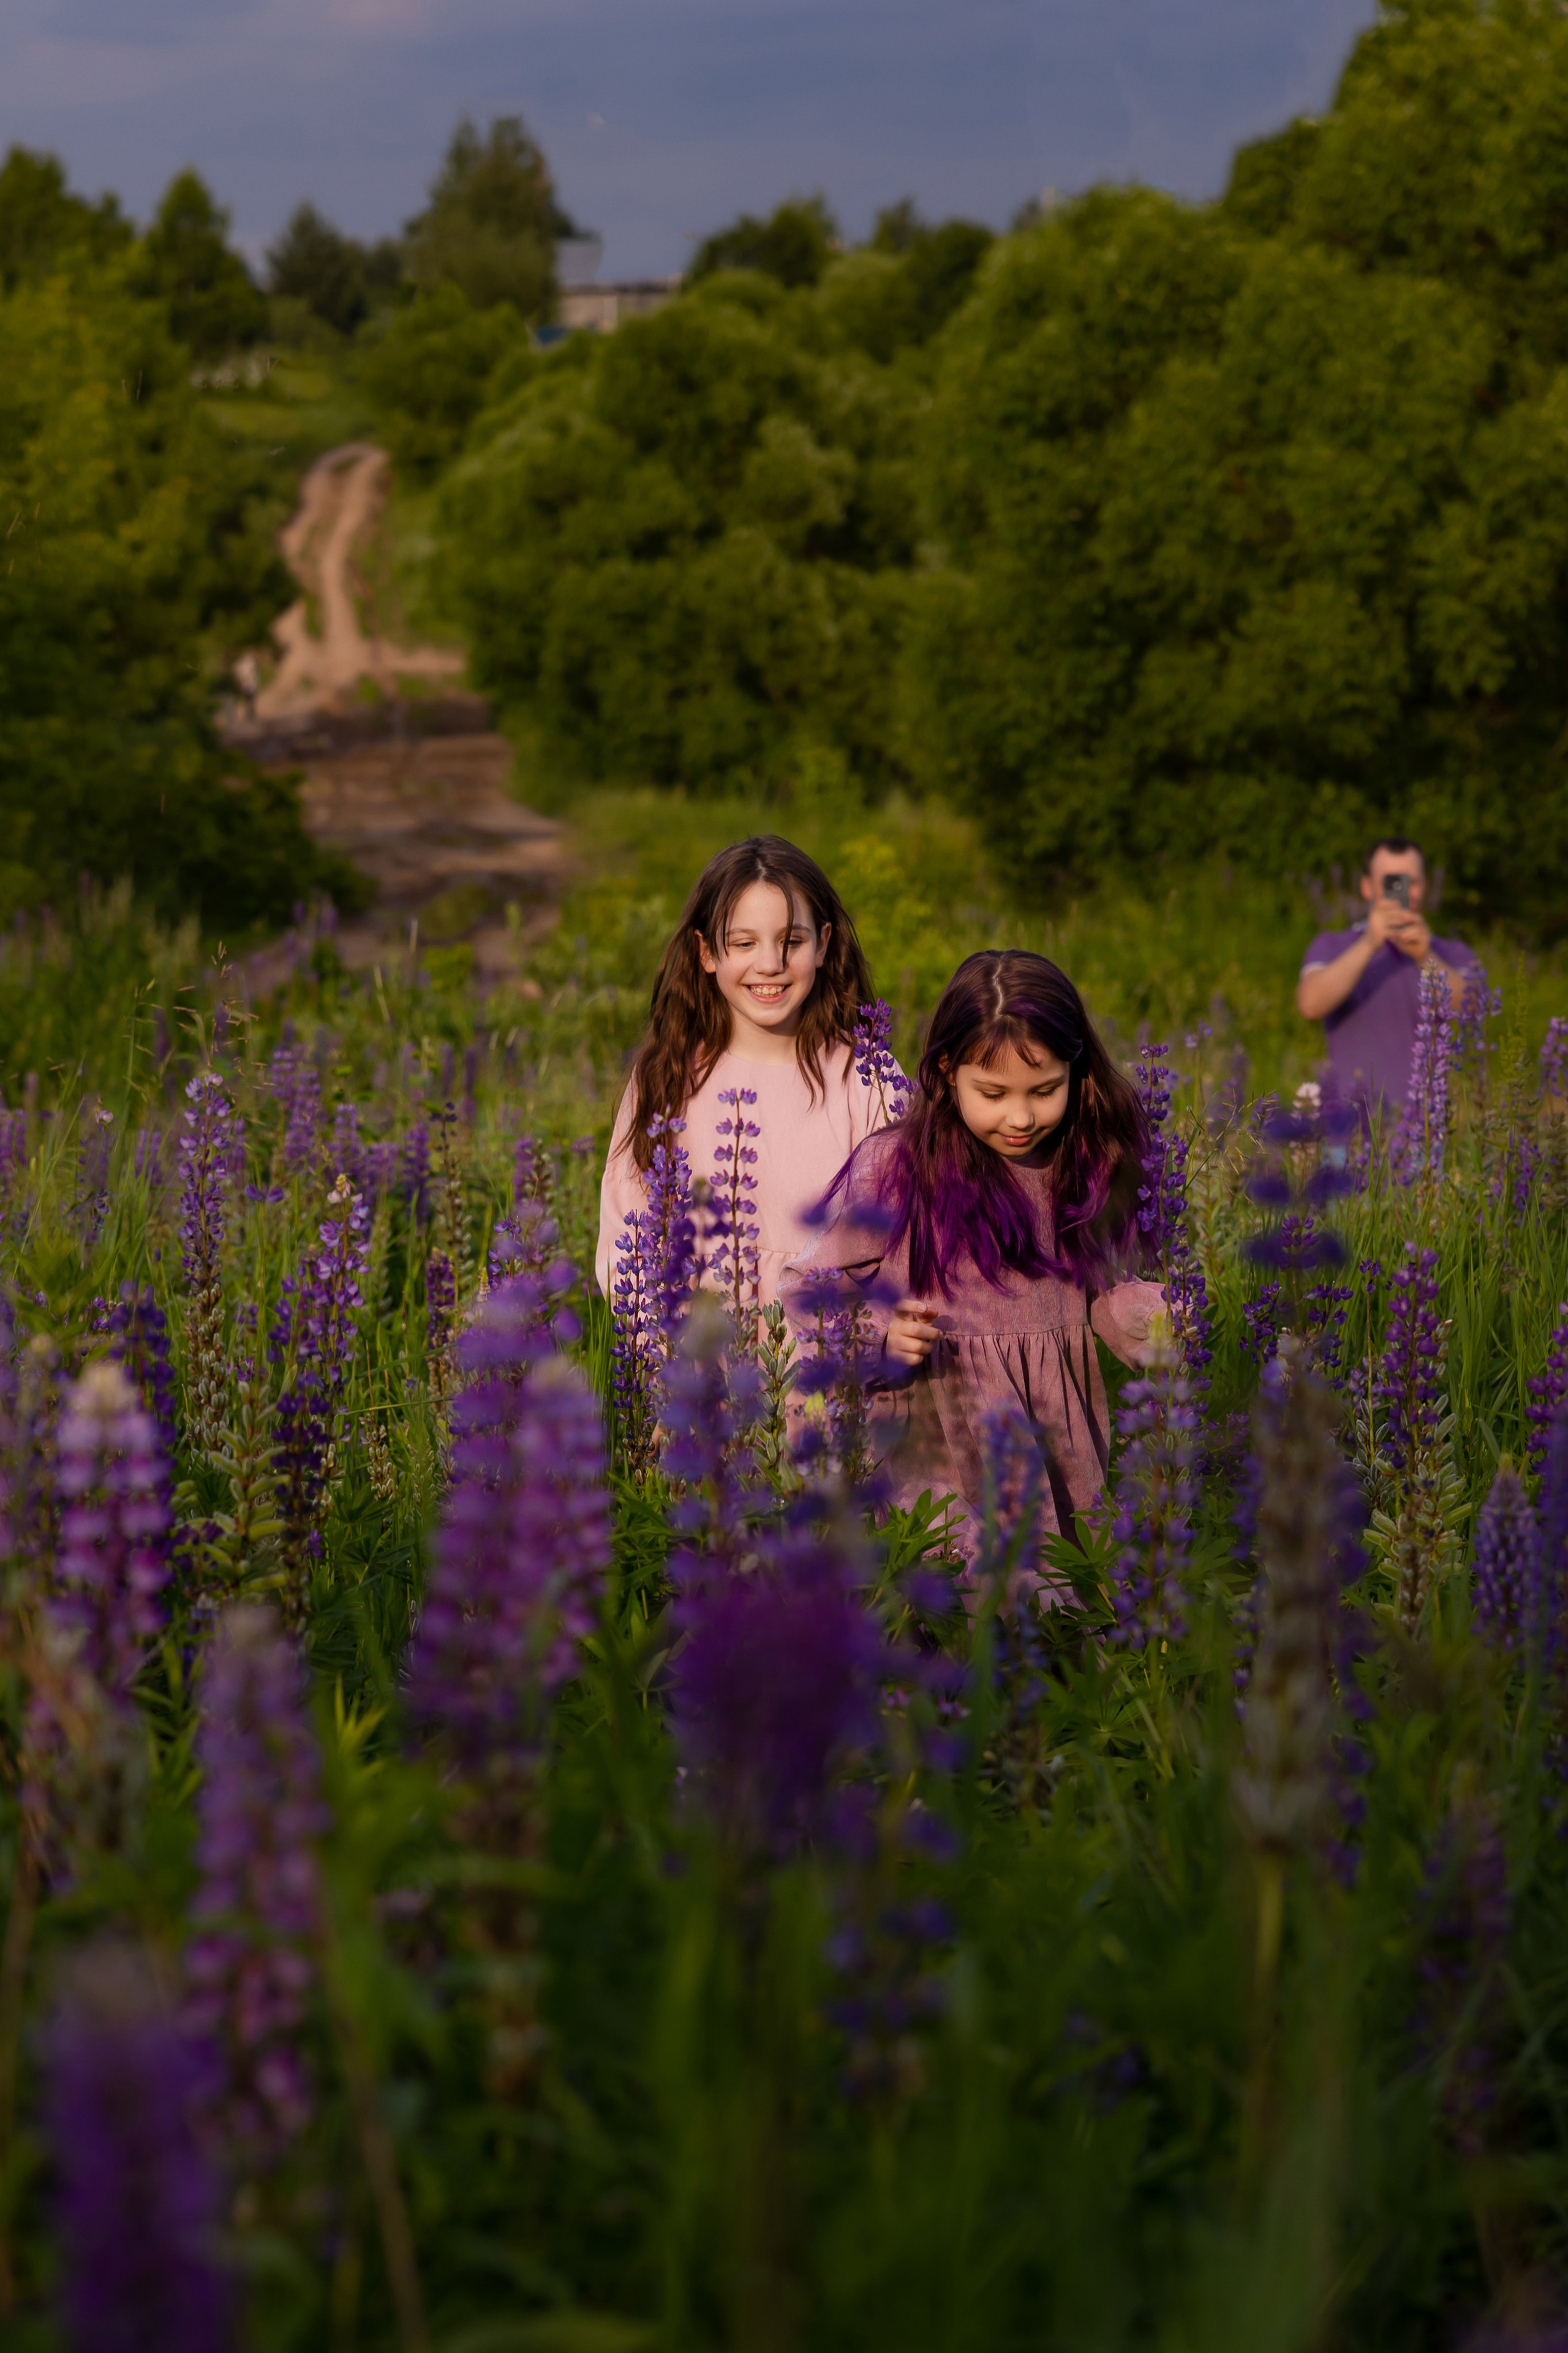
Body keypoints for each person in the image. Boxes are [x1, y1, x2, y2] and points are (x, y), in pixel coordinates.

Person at [780, 950, 1164, 1562]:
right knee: (969, 1602)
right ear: (945, 1071)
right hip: (936, 1440)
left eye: (1044, 1090)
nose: (1020, 1116)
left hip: (1051, 1442)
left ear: (1076, 1070)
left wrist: (1151, 1317)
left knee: (1052, 1615)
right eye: (992, 1092)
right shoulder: (900, 1169)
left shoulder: (1084, 1162)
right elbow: (811, 1285)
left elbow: (1102, 1293)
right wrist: (883, 1338)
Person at [596, 837, 900, 1308]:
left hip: (832, 1366)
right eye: (744, 942)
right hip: (699, 1364)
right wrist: (665, 1360)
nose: (770, 964)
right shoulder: (668, 1076)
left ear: (824, 945)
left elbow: (903, 1245)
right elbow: (628, 1241)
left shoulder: (869, 1080)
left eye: (792, 941)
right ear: (707, 952)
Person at [1296, 837, 1477, 1116]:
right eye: (1392, 882)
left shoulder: (1451, 953)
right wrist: (1370, 943)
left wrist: (1425, 956)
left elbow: (1474, 1010)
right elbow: (1310, 1004)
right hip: (1350, 1126)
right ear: (1367, 888)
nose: (1403, 893)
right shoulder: (1333, 945)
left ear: (1425, 886)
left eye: (1411, 882)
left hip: (1427, 1127)